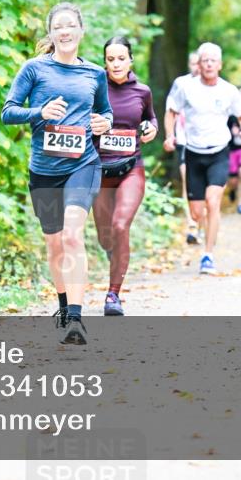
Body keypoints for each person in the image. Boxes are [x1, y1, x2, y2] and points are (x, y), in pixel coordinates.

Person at [1, 2, 113, 345]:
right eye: (58, 27)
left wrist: (104, 123)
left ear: (81, 31)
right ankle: (64, 307)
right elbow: (8, 112)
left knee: (72, 236)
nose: (64, 31)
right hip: (44, 170)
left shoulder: (94, 73)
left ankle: (76, 320)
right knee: (54, 244)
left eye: (70, 25)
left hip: (83, 164)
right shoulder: (34, 69)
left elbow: (105, 112)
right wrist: (39, 112)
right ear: (51, 33)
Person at [163, 43, 241, 275]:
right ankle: (202, 229)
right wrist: (170, 136)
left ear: (220, 65)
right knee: (196, 213)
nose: (209, 64)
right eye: (205, 60)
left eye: (213, 60)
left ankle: (208, 255)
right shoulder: (185, 87)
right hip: (194, 154)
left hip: (219, 153)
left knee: (213, 202)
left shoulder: (228, 90)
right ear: (199, 65)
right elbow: (171, 112)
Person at [93, 36, 157, 316]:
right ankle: (114, 252)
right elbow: (77, 120)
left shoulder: (142, 91)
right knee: (105, 237)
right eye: (111, 59)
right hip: (99, 170)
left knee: (120, 226)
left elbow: (151, 118)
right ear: (105, 62)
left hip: (132, 167)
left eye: (121, 58)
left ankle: (113, 294)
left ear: (130, 60)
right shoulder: (94, 88)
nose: (116, 64)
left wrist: (152, 129)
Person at [165, 53, 201, 244]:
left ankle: (200, 222)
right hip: (184, 141)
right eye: (193, 63)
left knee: (204, 187)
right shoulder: (181, 84)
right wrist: (170, 135)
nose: (196, 67)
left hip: (207, 144)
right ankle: (192, 225)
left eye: (198, 63)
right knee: (189, 182)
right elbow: (170, 110)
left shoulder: (212, 85)